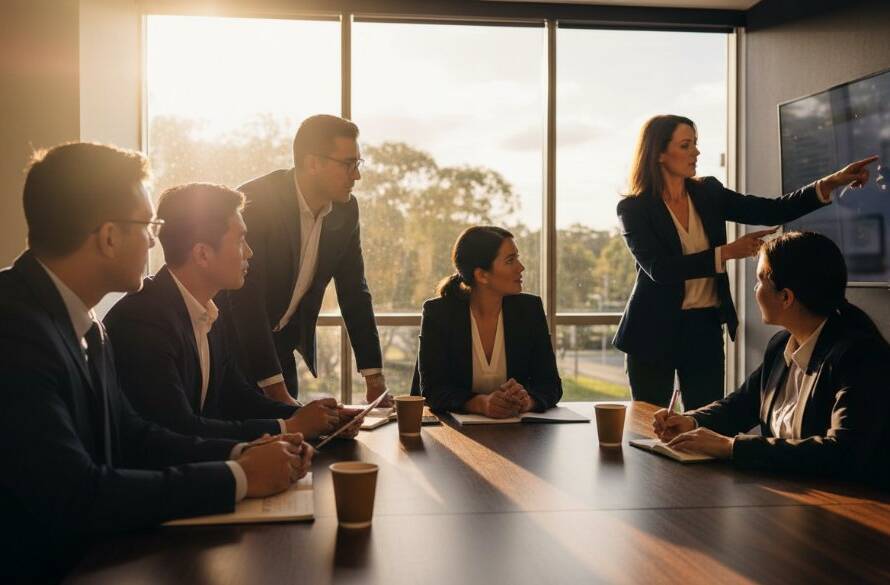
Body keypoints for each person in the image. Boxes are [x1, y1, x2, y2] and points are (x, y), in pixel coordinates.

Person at [0, 143, 312, 582]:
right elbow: (77, 495)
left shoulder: (87, 323)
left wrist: (243, 453)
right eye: (147, 225)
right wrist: (237, 478)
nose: (153, 239)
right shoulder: (14, 331)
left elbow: (134, 436)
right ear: (109, 237)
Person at [613, 114, 879, 410]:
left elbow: (771, 210)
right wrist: (726, 252)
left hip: (705, 328)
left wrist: (828, 184)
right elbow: (660, 270)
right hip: (651, 333)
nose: (696, 152)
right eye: (686, 145)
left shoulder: (708, 192)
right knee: (648, 428)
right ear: (659, 153)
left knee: (704, 423)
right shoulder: (633, 208)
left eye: (695, 144)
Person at [105, 183, 359, 441]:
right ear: (202, 254)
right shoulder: (143, 321)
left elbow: (236, 397)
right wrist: (289, 428)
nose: (250, 252)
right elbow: (178, 429)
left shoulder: (210, 313)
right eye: (240, 240)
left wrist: (313, 417)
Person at [653, 231, 890, 486]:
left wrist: (731, 447)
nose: (755, 290)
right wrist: (691, 421)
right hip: (785, 499)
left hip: (849, 510)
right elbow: (743, 404)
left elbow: (841, 453)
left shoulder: (860, 356)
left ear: (786, 297)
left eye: (759, 281)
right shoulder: (781, 346)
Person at [224, 114, 387, 406]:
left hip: (280, 351)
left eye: (358, 164)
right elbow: (246, 298)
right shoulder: (255, 200)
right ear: (313, 163)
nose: (357, 176)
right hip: (230, 348)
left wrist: (374, 379)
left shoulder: (345, 210)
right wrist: (276, 391)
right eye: (348, 164)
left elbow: (354, 292)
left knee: (299, 441)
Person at [416, 226, 562, 416]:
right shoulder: (440, 313)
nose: (521, 267)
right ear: (482, 275)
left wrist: (528, 401)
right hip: (452, 437)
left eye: (517, 257)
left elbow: (550, 385)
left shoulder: (529, 310)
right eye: (510, 260)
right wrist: (481, 404)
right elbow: (433, 390)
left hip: (518, 435)